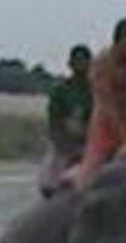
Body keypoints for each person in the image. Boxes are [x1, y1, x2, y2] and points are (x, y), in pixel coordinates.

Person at [62, 18, 126, 189]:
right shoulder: (101, 63)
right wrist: (125, 141)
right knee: (90, 172)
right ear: (116, 44)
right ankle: (75, 176)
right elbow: (106, 104)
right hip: (105, 119)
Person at [37, 44, 93, 198]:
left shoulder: (97, 90)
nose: (80, 65)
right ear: (70, 64)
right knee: (49, 181)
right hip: (64, 142)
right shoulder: (61, 90)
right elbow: (54, 121)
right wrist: (63, 142)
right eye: (77, 61)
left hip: (92, 144)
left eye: (84, 61)